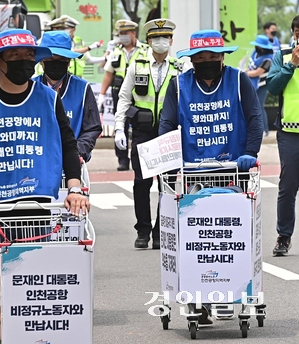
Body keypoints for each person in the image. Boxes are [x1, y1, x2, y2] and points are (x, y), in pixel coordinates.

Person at [159, 29, 263, 324]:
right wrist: (168, 161)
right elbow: (166, 124)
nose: (207, 61)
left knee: (231, 239)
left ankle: (231, 292)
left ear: (222, 56)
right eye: (200, 57)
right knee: (197, 241)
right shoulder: (179, 86)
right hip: (193, 174)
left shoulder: (239, 80)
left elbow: (255, 119)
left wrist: (251, 153)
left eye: (212, 56)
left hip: (234, 172)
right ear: (191, 59)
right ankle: (200, 300)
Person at [0, 28, 90, 221]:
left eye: (29, 55)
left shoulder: (50, 99)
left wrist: (74, 189)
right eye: (15, 55)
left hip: (37, 200)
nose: (24, 60)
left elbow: (68, 145)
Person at [114, 19, 186, 249]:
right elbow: (124, 98)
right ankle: (143, 231)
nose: (161, 42)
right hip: (143, 131)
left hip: (168, 133)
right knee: (141, 183)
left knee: (167, 184)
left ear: (172, 40)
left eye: (165, 37)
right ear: (148, 41)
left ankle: (159, 232)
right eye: (156, 38)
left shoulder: (180, 68)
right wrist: (118, 128)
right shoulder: (138, 65)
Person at [33, 30, 102, 162]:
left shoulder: (82, 88)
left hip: (73, 161)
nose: (56, 63)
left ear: (69, 62)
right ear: (42, 61)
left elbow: (92, 127)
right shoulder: (31, 88)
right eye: (51, 59)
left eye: (62, 59)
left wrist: (78, 151)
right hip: (37, 162)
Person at [266, 15, 299, 257]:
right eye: (298, 32)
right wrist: (291, 66)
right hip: (290, 132)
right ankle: (283, 236)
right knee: (288, 187)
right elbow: (273, 87)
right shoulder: (284, 55)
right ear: (294, 33)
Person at [100, 19, 150, 172]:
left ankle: (139, 156)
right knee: (120, 124)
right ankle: (122, 159)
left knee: (139, 125)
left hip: (140, 94)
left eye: (125, 33)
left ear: (133, 33)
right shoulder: (116, 51)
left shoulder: (145, 50)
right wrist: (101, 94)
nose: (122, 36)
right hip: (119, 95)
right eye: (120, 33)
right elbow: (109, 74)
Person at [246, 35, 274, 137]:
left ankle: (264, 130)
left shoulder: (268, 60)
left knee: (259, 107)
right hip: (251, 84)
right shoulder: (255, 53)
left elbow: (258, 72)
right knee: (252, 107)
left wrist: (245, 73)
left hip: (261, 86)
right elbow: (250, 67)